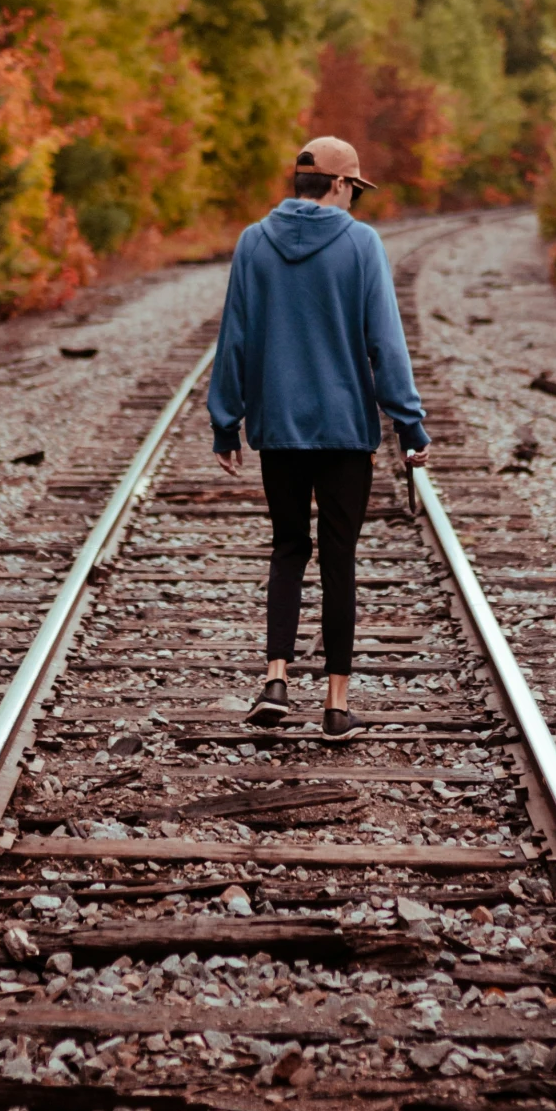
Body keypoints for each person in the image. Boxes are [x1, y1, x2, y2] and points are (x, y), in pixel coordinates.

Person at [207, 135, 430, 745]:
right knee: (339, 560)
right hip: (343, 433)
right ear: (337, 186)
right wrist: (408, 424)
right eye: (353, 190)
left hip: (277, 429)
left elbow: (234, 338)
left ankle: (275, 679)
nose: (354, 201)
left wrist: (226, 422)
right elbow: (385, 342)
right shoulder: (361, 243)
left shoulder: (254, 242)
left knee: (286, 549)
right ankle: (336, 704)